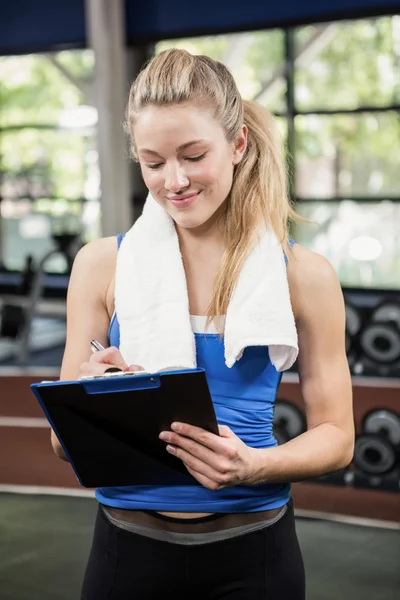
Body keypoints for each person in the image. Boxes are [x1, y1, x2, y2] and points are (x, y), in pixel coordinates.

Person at [51, 49, 354, 599]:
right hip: (126, 550)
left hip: (255, 552)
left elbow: (338, 437)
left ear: (237, 144)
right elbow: (61, 443)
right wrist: (87, 395)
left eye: (193, 155)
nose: (174, 181)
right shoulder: (101, 265)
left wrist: (256, 466)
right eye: (153, 161)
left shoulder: (303, 275)